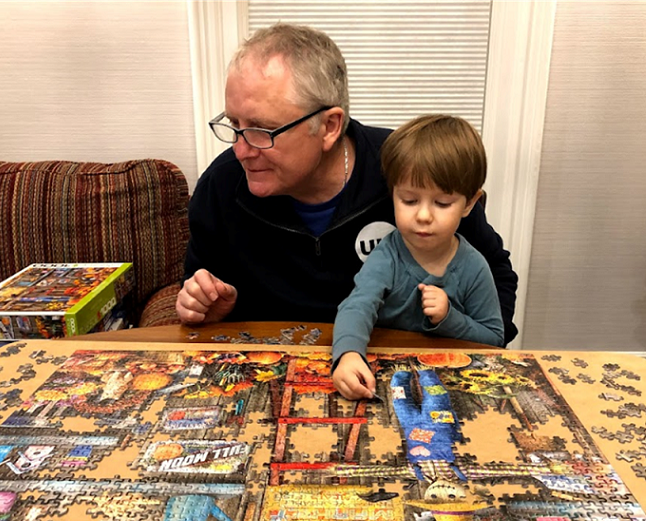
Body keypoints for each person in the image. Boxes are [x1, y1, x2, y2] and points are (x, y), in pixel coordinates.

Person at [175, 23, 518, 344]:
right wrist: (208, 309)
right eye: (234, 124)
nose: (240, 150)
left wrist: (469, 356)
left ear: (329, 127)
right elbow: (198, 305)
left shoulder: (411, 173)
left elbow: (496, 276)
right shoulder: (220, 187)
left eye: (262, 130)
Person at [332, 115, 504, 399]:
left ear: (470, 203)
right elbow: (356, 307)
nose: (423, 215)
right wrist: (348, 355)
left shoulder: (474, 266)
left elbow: (493, 339)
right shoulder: (387, 255)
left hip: (451, 387)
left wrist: (449, 317)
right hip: (383, 380)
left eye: (442, 203)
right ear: (393, 195)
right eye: (409, 200)